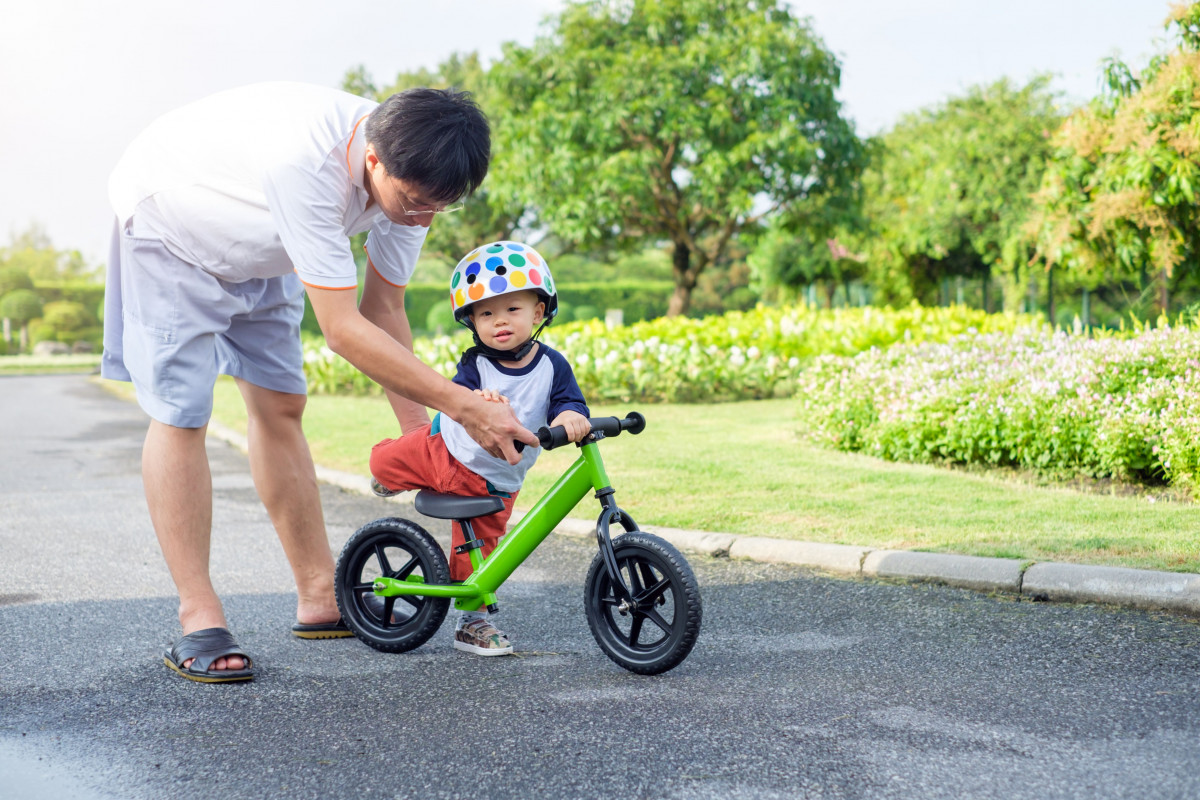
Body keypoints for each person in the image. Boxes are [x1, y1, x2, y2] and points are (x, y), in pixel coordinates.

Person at [102, 83, 538, 683]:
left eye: (440, 207)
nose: (423, 217)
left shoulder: (417, 178)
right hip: (175, 225)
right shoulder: (303, 164)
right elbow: (341, 328)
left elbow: (383, 311)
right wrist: (464, 408)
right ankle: (199, 617)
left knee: (282, 404)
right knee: (183, 412)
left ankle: (317, 596)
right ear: (373, 160)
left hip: (265, 244)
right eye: (414, 203)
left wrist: (426, 443)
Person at [369, 240, 590, 656]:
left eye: (512, 309)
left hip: (498, 479)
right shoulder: (477, 363)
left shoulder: (553, 365)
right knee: (389, 459)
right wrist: (478, 403)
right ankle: (385, 474)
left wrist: (569, 420)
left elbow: (568, 403)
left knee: (483, 559)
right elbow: (458, 396)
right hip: (446, 451)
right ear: (472, 321)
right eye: (486, 313)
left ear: (539, 312)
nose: (499, 321)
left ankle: (472, 622)